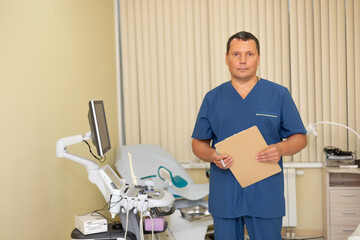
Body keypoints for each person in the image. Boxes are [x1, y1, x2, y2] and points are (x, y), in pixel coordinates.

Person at [191, 31, 307, 240]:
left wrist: (281, 149)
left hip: (265, 192)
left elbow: (300, 137)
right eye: (236, 54)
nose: (243, 60)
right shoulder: (213, 98)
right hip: (226, 191)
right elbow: (198, 143)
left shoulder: (278, 94)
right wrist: (212, 156)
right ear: (226, 59)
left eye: (249, 54)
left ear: (259, 58)